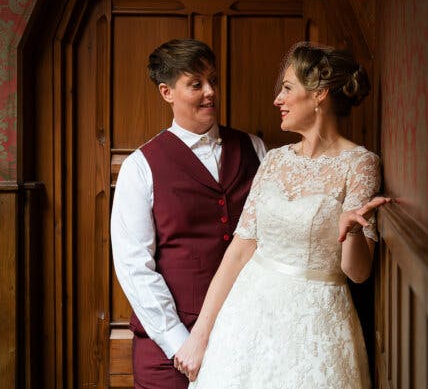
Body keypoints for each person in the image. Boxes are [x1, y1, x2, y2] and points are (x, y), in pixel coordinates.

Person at [174, 41, 389, 388]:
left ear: (319, 94)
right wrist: (200, 336)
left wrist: (349, 232)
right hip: (246, 315)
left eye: (287, 88)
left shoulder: (360, 163)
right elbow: (240, 250)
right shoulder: (274, 160)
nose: (278, 99)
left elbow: (359, 273)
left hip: (315, 323)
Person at [111, 39, 266, 389]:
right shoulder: (140, 167)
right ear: (167, 92)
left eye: (212, 80)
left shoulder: (254, 149)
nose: (210, 92)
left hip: (246, 330)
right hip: (169, 348)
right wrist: (179, 341)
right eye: (196, 84)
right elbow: (135, 266)